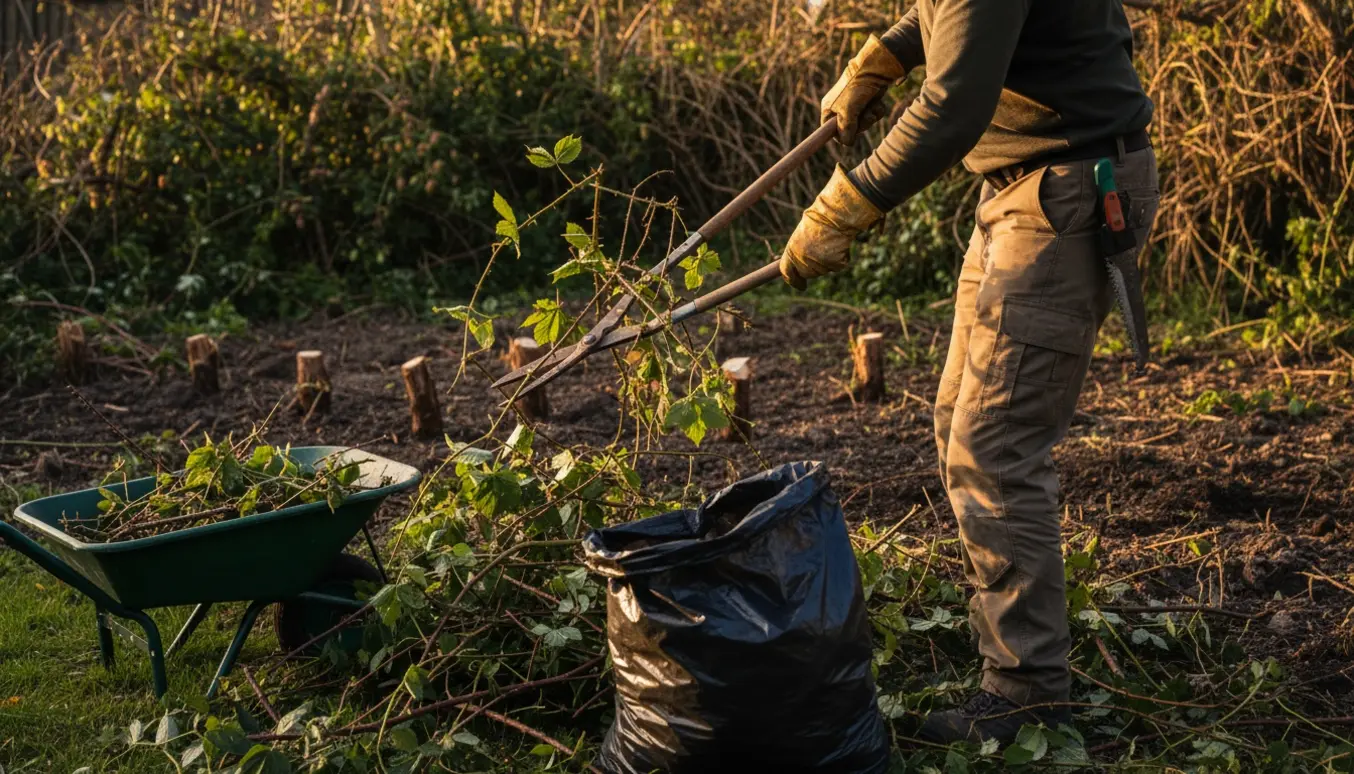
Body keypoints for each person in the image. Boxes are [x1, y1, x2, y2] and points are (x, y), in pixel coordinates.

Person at [781, 0, 1160, 744]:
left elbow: (955, 105)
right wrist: (888, 52)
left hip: (1066, 191)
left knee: (993, 445)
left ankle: (1026, 698)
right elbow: (970, 19)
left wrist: (847, 204)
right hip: (1025, 187)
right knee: (960, 420)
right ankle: (1011, 657)